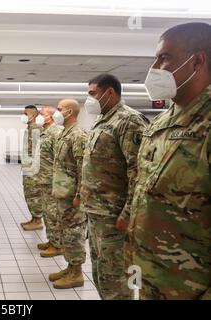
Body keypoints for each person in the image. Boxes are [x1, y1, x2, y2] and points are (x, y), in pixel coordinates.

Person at [126, 22, 211, 300]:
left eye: (164, 58)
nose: (155, 68)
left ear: (197, 61)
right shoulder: (161, 122)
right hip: (152, 275)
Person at [80, 74, 149, 299]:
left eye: (92, 93)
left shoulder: (129, 120)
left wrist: (128, 213)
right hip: (98, 213)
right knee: (102, 274)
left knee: (117, 278)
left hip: (115, 216)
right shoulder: (103, 120)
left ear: (110, 92)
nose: (89, 98)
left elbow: (138, 171)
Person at [49, 99, 87, 289]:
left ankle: (77, 274)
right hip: (63, 194)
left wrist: (79, 195)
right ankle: (70, 267)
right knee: (66, 232)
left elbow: (83, 169)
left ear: (69, 112)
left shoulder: (78, 135)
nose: (56, 112)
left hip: (73, 197)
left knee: (74, 234)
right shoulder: (65, 133)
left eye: (59, 109)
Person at [33, 105, 64, 257]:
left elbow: (61, 159)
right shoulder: (46, 133)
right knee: (47, 212)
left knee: (53, 213)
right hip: (45, 180)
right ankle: (52, 240)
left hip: (53, 181)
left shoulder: (56, 133)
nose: (39, 116)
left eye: (42, 113)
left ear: (51, 116)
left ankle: (57, 245)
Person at [20, 105, 44, 231]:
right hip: (28, 168)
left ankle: (38, 220)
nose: (23, 115)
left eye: (25, 113)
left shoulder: (37, 129)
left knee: (34, 194)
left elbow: (38, 151)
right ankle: (34, 218)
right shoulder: (29, 128)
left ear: (33, 115)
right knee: (29, 194)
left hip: (34, 170)